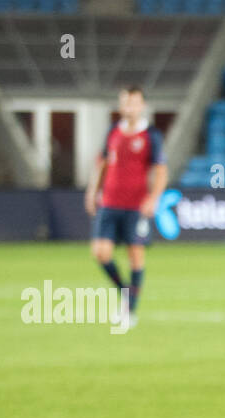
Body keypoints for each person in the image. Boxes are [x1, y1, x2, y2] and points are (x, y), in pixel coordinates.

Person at [85, 86, 167, 330]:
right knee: (100, 253)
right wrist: (92, 191)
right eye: (126, 103)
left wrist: (153, 198)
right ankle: (125, 293)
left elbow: (161, 170)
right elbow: (102, 163)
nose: (130, 107)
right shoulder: (113, 131)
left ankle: (130, 312)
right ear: (121, 106)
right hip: (109, 202)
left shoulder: (151, 135)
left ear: (142, 106)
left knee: (135, 256)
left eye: (135, 103)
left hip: (135, 206)